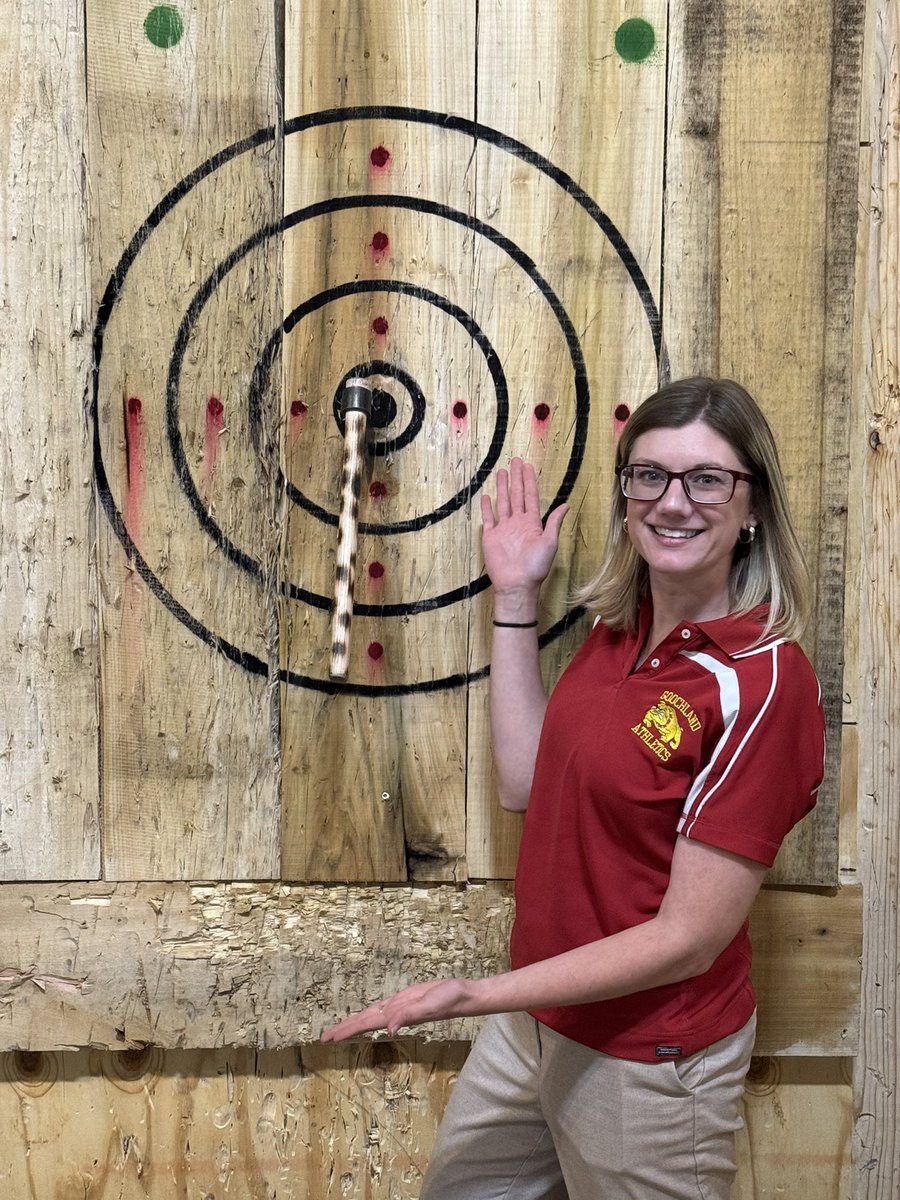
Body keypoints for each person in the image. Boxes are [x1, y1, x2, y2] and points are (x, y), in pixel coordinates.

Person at [322, 377, 826, 1200]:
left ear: (753, 506)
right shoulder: (616, 630)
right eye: (650, 476)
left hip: (648, 1058)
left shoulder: (762, 681)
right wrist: (515, 596)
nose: (673, 502)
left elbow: (689, 938)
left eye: (707, 480)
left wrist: (475, 993)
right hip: (537, 1021)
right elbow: (526, 784)